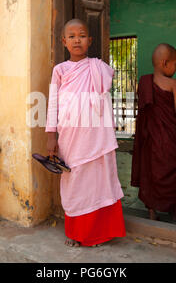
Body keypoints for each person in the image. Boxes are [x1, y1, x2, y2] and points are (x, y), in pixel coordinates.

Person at [45, 19, 126, 247]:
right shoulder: (59, 70)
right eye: (71, 36)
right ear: (64, 41)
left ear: (89, 41)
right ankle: (75, 232)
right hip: (70, 136)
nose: (77, 39)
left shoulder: (97, 67)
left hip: (95, 137)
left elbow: (103, 92)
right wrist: (51, 135)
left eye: (81, 35)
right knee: (75, 181)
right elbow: (53, 103)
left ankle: (98, 233)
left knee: (97, 181)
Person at [131, 43, 176, 221]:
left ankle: (152, 211)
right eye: (175, 64)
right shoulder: (173, 84)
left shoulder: (144, 82)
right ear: (164, 63)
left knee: (151, 172)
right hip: (171, 138)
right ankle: (175, 209)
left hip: (151, 138)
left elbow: (144, 111)